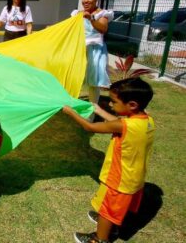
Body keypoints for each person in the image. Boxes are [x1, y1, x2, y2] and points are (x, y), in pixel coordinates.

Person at [62, 77, 155, 243]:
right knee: (116, 208)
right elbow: (119, 123)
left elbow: (89, 127)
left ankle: (99, 238)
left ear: (132, 104)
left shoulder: (124, 125)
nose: (111, 105)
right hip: (134, 177)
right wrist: (98, 110)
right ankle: (108, 224)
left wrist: (71, 112)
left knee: (107, 211)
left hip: (119, 180)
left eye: (113, 102)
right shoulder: (147, 120)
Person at [71, 0, 114, 107]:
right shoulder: (77, 14)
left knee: (94, 81)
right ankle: (71, 104)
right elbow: (70, 29)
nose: (86, 0)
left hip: (96, 51)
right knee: (75, 77)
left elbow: (103, 29)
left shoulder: (102, 14)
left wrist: (91, 19)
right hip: (80, 50)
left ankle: (93, 111)